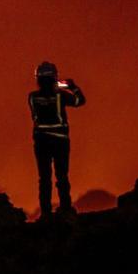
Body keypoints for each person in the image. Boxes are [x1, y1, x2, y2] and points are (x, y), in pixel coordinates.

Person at [29, 61, 86, 220]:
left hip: (41, 141)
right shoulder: (61, 96)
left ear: (38, 79)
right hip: (60, 141)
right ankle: (66, 209)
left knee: (44, 177)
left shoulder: (32, 97)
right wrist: (72, 86)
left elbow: (34, 116)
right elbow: (80, 101)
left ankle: (46, 213)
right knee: (62, 176)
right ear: (55, 77)